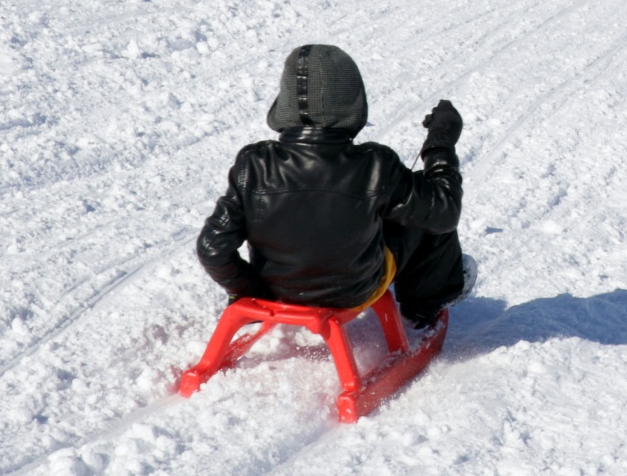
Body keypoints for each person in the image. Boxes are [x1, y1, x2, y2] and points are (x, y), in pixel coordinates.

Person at [197, 44, 472, 329]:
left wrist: (249, 289)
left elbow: (212, 248)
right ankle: (422, 312)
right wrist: (440, 143)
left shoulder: (253, 164)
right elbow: (444, 212)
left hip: (276, 290)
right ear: (351, 101)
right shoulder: (375, 164)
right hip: (352, 291)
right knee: (425, 216)